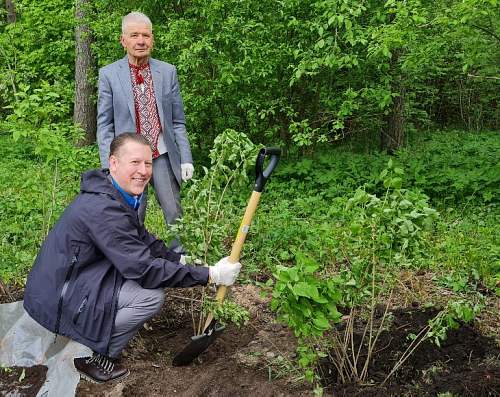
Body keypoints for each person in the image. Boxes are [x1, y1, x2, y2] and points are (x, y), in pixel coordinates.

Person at [23, 133, 241, 383]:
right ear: (113, 163)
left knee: (143, 283)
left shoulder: (113, 193)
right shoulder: (104, 209)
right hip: (57, 298)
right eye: (135, 163)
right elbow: (145, 269)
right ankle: (88, 355)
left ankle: (92, 338)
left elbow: (142, 238)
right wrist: (211, 275)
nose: (143, 171)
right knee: (149, 297)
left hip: (75, 279)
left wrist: (180, 260)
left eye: (148, 163)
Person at [97, 11, 193, 253]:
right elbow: (104, 125)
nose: (141, 40)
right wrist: (110, 164)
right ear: (123, 40)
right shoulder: (109, 74)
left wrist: (186, 158)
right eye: (134, 35)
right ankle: (132, 257)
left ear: (152, 39)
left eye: (146, 35)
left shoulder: (167, 72)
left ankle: (179, 257)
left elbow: (178, 121)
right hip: (128, 158)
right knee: (132, 212)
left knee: (173, 209)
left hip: (160, 154)